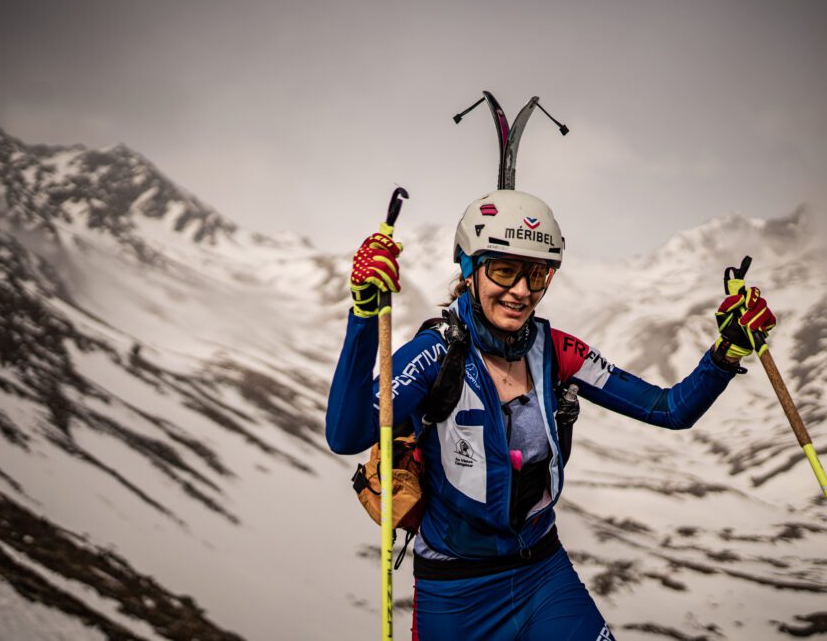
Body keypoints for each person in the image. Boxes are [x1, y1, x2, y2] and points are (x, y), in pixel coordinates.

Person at [326, 189, 776, 641]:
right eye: (504, 270)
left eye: (537, 274)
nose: (521, 291)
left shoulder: (556, 350)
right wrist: (365, 312)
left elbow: (670, 409)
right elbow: (347, 435)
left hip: (543, 574)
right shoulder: (436, 353)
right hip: (455, 593)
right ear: (468, 268)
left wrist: (727, 352)